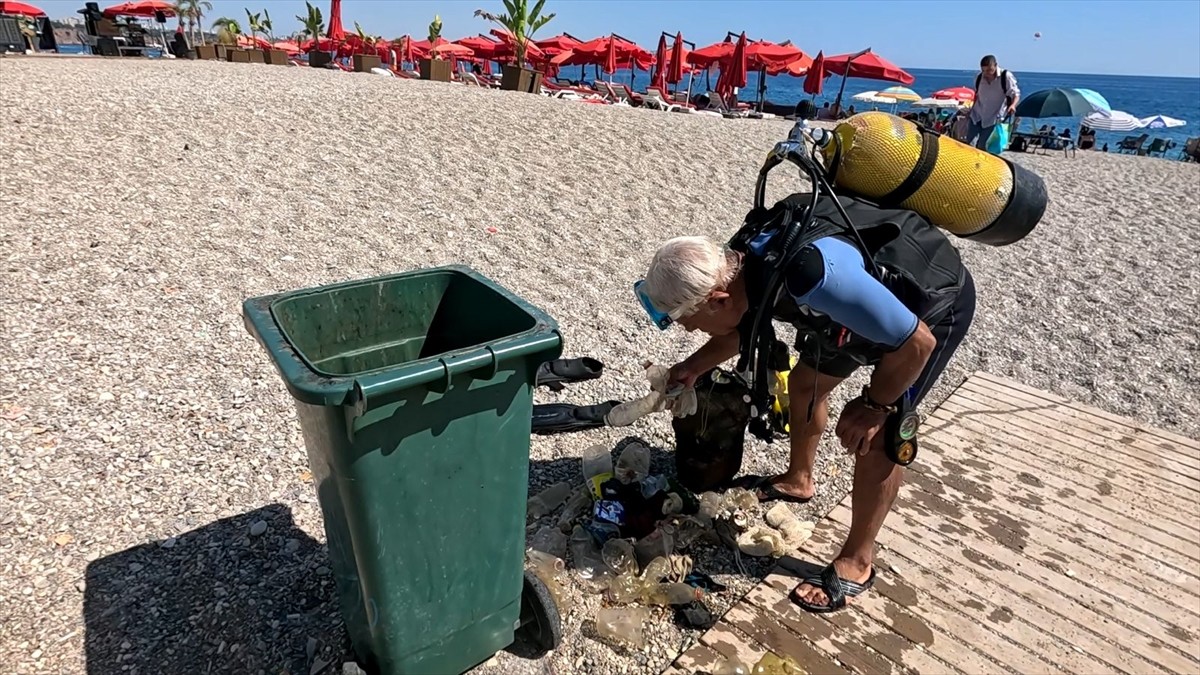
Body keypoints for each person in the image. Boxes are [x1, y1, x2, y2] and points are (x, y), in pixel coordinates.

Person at [635, 196, 977, 614]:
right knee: (804, 384)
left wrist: (875, 404)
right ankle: (800, 480)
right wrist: (690, 368)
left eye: (690, 322)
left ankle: (858, 561)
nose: (690, 330)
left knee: (881, 434)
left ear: (718, 298)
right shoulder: (743, 260)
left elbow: (916, 343)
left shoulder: (815, 278)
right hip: (849, 314)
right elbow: (743, 326)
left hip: (925, 309)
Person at [966, 55, 1021, 150]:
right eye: (984, 71)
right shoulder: (979, 77)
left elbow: (1015, 93)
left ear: (995, 65)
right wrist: (970, 109)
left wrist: (1013, 105)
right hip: (977, 115)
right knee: (969, 144)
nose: (986, 73)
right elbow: (977, 94)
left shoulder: (1005, 76)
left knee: (983, 146)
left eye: (989, 70)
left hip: (993, 117)